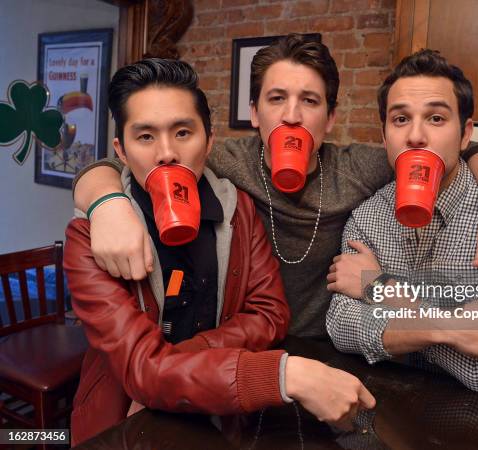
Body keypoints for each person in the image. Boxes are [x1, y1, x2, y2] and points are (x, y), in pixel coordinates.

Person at [71, 34, 478, 338]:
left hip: (339, 345)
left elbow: (445, 150)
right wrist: (106, 201)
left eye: (310, 101)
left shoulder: (362, 169)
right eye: (277, 99)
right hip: (249, 346)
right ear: (255, 113)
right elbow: (128, 159)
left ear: (330, 118)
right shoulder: (216, 158)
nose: (292, 115)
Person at [64, 58, 374, 446]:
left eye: (182, 132)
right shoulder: (90, 236)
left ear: (209, 141)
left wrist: (180, 360)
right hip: (121, 423)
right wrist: (282, 375)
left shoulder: (238, 209)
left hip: (224, 414)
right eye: (145, 137)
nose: (166, 154)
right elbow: (141, 369)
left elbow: (270, 313)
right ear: (120, 151)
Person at [325, 49, 478, 404]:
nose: (416, 136)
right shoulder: (367, 215)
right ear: (385, 137)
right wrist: (450, 328)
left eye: (435, 118)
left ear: (466, 135)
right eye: (400, 120)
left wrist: (380, 289)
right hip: (395, 403)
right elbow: (341, 326)